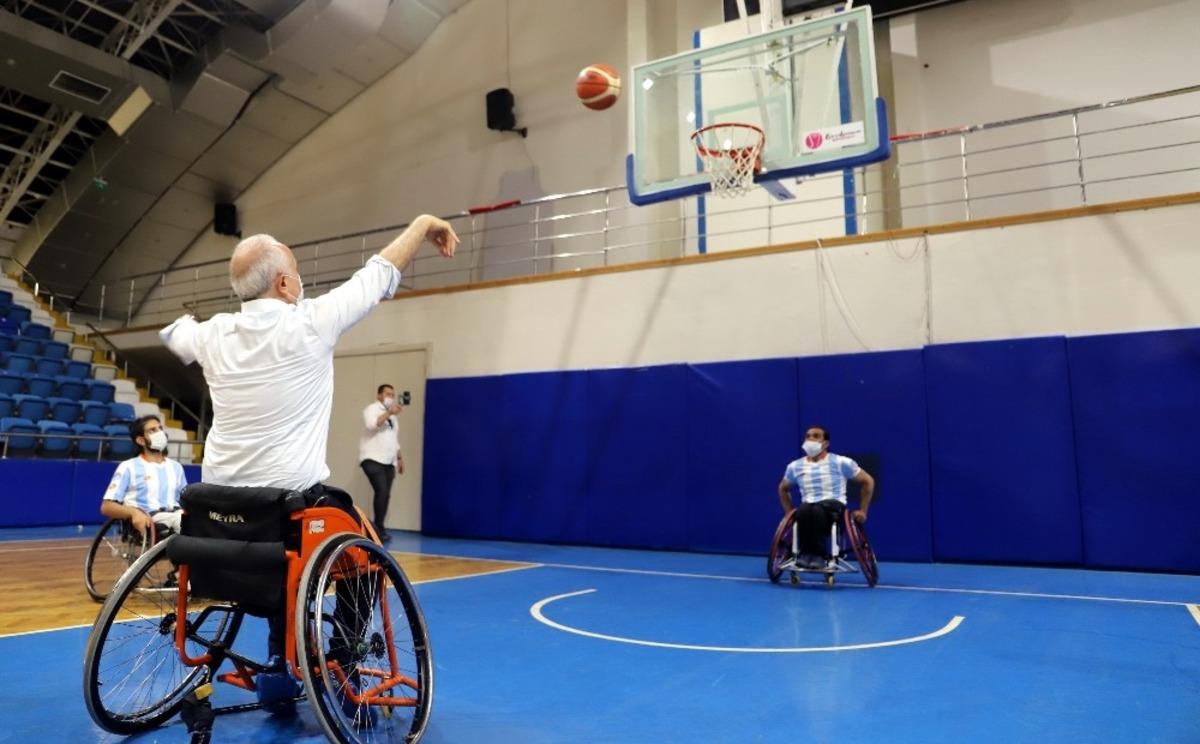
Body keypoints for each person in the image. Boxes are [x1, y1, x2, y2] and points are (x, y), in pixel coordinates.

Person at [160, 214, 458, 716]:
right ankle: (338, 660)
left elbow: (173, 332)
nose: (301, 281)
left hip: (215, 516)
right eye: (296, 272)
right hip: (287, 514)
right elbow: (380, 271)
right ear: (282, 282)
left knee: (291, 542)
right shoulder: (311, 320)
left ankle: (281, 655)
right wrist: (423, 223)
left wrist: (193, 328)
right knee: (364, 553)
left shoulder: (212, 335)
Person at [778, 425, 875, 569]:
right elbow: (783, 489)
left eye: (816, 436)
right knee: (804, 509)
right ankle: (805, 555)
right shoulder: (795, 466)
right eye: (808, 436)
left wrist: (863, 511)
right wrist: (788, 514)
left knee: (816, 509)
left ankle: (819, 555)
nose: (810, 439)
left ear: (826, 443)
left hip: (834, 507)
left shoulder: (841, 462)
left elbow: (868, 481)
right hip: (807, 509)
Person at [100, 415, 186, 538]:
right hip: (151, 517)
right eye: (152, 430)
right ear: (141, 440)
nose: (160, 433)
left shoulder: (176, 467)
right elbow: (107, 507)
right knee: (186, 523)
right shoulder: (128, 467)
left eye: (160, 428)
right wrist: (133, 512)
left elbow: (184, 501)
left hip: (177, 514)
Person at [360, 383, 404, 543]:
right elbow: (372, 425)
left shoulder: (393, 416)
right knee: (382, 491)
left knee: (385, 495)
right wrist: (388, 413)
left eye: (392, 395)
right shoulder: (371, 409)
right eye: (387, 394)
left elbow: (394, 438)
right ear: (379, 395)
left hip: (388, 461)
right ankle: (377, 530)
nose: (390, 397)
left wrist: (399, 458)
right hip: (372, 459)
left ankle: (380, 528)